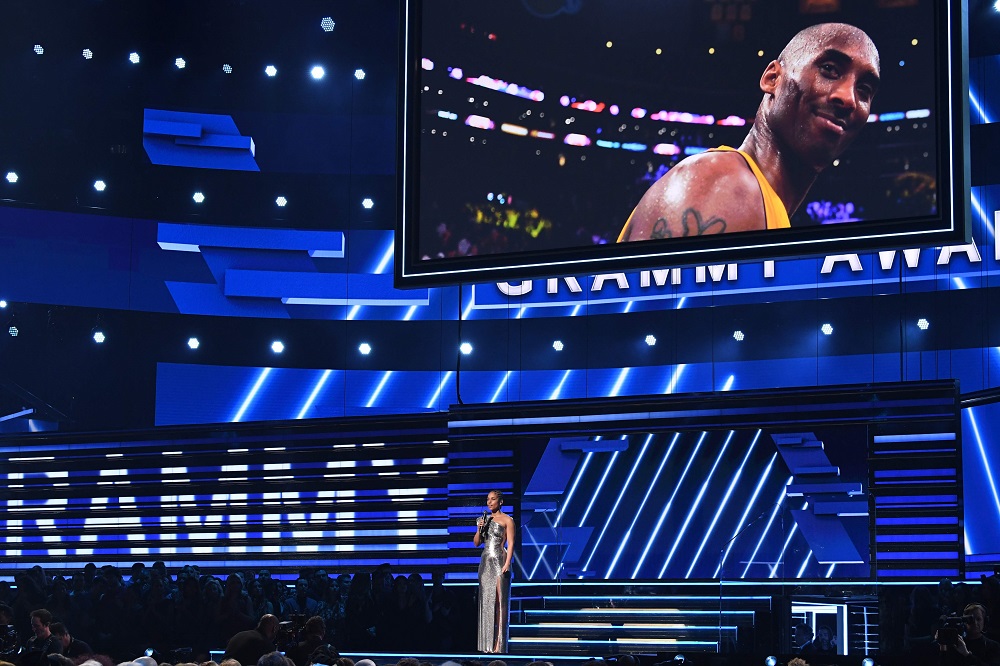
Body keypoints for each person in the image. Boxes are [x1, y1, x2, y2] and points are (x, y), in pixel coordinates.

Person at [618, 22, 880, 242]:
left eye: (864, 90)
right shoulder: (726, 186)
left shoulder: (762, 204)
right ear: (772, 79)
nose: (849, 99)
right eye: (829, 70)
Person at [473, 489, 515, 654]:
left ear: (500, 501)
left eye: (492, 499)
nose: (489, 502)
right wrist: (479, 529)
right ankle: (486, 645)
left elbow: (510, 543)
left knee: (500, 602)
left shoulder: (507, 520)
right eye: (487, 499)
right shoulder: (483, 520)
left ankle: (499, 645)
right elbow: (477, 542)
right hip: (485, 562)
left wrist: (507, 563)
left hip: (499, 560)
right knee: (486, 602)